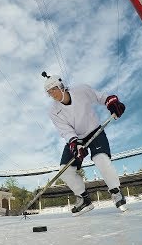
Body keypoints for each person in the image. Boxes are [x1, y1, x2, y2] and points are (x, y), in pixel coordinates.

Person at [41, 71, 127, 216]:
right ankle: (84, 199)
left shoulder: (81, 90)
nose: (53, 93)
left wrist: (111, 102)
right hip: (76, 138)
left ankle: (116, 192)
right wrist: (75, 144)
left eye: (54, 89)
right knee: (65, 170)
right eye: (49, 92)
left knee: (101, 160)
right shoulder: (53, 111)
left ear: (61, 86)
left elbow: (100, 97)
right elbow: (65, 130)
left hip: (94, 131)